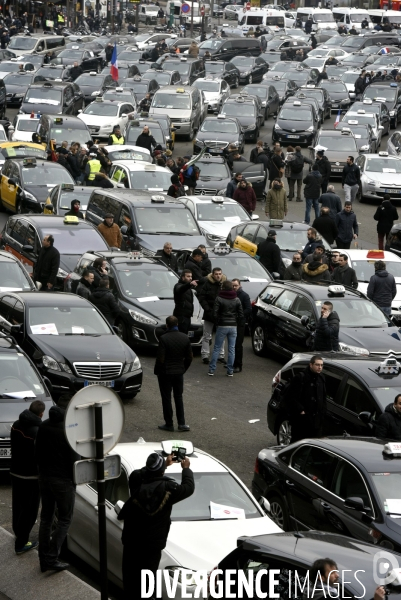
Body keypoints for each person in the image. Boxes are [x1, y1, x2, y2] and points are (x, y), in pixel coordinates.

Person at [117, 451, 194, 599]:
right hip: (152, 547)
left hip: (132, 542)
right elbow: (188, 487)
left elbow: (140, 473)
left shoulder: (136, 481)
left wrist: (162, 464)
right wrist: (186, 468)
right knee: (147, 584)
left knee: (130, 581)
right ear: (161, 471)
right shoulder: (169, 489)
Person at [36, 395, 80, 572]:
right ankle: (52, 557)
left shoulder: (44, 425)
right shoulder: (68, 431)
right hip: (62, 481)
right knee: (64, 519)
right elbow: (74, 462)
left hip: (44, 478)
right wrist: (74, 482)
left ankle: (43, 556)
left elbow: (37, 452)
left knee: (46, 518)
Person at [10, 400, 45, 555]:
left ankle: (18, 532)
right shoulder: (37, 431)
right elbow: (40, 455)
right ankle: (21, 543)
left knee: (18, 505)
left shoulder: (16, 424)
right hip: (30, 476)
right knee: (29, 511)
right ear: (41, 413)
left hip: (15, 472)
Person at [155, 315, 192, 432]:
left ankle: (169, 423)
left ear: (167, 325)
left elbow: (161, 358)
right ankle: (182, 423)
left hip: (166, 372)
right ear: (177, 324)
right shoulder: (185, 338)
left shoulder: (164, 338)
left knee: (166, 398)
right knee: (178, 397)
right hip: (178, 372)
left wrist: (158, 371)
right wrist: (183, 368)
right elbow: (189, 357)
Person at [285, 355, 326, 443]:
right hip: (302, 422)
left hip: (316, 423)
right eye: (317, 365)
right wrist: (301, 410)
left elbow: (323, 398)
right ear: (311, 365)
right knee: (297, 444)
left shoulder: (321, 378)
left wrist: (322, 413)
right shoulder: (301, 377)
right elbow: (290, 397)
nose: (320, 367)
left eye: (321, 365)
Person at [207, 280, 243, 377]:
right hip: (233, 326)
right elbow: (241, 314)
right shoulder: (236, 299)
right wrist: (235, 321)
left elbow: (214, 313)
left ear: (223, 287)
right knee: (231, 349)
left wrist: (218, 321)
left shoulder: (219, 298)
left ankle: (212, 370)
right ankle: (230, 371)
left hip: (222, 325)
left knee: (217, 348)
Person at [198, 267, 226, 365]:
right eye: (216, 274)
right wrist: (207, 309)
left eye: (219, 274)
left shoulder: (224, 284)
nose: (218, 276)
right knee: (206, 336)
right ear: (213, 275)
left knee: (221, 336)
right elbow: (201, 297)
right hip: (209, 313)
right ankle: (205, 356)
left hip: (221, 314)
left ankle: (221, 356)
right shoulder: (207, 284)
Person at [232, 278, 251, 373]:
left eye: (236, 285)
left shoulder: (244, 296)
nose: (234, 287)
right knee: (231, 344)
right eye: (233, 285)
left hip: (240, 323)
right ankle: (232, 362)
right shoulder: (230, 295)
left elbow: (248, 309)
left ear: (240, 285)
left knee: (238, 345)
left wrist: (239, 314)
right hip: (231, 323)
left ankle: (238, 365)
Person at [173, 269, 197, 334]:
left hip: (187, 317)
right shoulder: (178, 285)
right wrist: (189, 284)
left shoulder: (189, 288)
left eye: (191, 276)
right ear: (183, 277)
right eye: (188, 276)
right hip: (181, 317)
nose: (190, 278)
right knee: (180, 335)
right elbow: (180, 289)